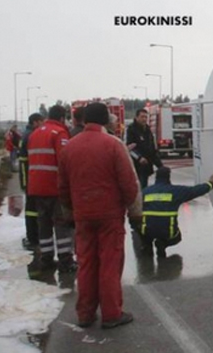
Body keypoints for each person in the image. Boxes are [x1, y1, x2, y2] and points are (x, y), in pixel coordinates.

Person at [58, 102, 142, 329]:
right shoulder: (113, 145)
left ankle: (85, 313)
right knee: (110, 263)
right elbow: (129, 183)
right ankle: (111, 313)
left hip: (82, 215)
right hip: (109, 215)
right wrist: (135, 212)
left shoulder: (70, 147)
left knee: (86, 263)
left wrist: (70, 212)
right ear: (106, 120)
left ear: (84, 120)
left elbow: (63, 187)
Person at [27, 105, 76, 273]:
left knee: (44, 224)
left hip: (36, 187)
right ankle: (65, 260)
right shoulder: (59, 133)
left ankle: (46, 258)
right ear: (62, 118)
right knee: (62, 224)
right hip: (54, 187)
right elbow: (65, 161)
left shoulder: (35, 134)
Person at [133, 167, 213, 258]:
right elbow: (195, 191)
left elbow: (134, 206)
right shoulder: (175, 191)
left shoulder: (146, 191)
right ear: (168, 177)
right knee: (177, 238)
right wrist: (210, 184)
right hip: (167, 231)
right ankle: (163, 244)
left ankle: (147, 245)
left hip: (148, 230)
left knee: (140, 228)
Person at [18, 113, 45, 251]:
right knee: (33, 210)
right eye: (41, 122)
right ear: (35, 122)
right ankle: (34, 238)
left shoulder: (26, 135)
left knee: (31, 210)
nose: (42, 125)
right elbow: (25, 161)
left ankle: (33, 236)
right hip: (31, 178)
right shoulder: (31, 136)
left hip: (29, 177)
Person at [126, 108, 163, 188]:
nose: (144, 119)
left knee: (144, 185)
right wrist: (139, 158)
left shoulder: (147, 129)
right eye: (142, 117)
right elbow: (130, 149)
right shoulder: (131, 129)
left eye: (146, 117)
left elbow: (152, 148)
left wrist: (160, 165)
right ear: (136, 117)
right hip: (137, 165)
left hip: (146, 165)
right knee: (140, 186)